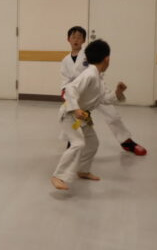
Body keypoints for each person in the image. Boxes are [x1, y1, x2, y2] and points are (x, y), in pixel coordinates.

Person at [51, 39, 127, 190]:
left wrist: (118, 93)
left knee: (93, 143)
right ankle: (58, 176)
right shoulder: (90, 74)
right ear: (107, 59)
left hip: (82, 117)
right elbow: (70, 89)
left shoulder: (98, 76)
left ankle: (83, 170)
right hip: (69, 114)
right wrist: (76, 109)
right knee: (78, 143)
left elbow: (104, 99)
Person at [61, 26, 147, 156]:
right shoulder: (65, 60)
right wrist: (64, 91)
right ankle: (71, 143)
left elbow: (97, 69)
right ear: (68, 39)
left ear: (84, 40)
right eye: (73, 37)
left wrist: (117, 92)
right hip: (78, 92)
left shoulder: (88, 53)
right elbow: (65, 79)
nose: (76, 40)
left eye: (79, 37)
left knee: (113, 115)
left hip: (95, 87)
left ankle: (126, 141)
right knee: (73, 117)